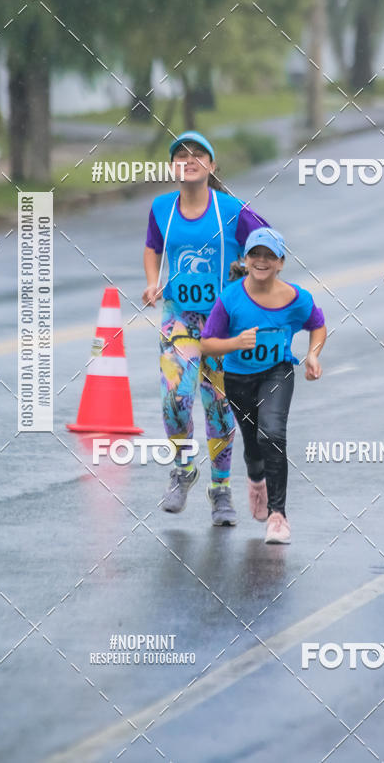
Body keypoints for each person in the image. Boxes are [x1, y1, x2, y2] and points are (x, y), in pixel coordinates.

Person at [143, 131, 269, 526]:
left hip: (222, 323)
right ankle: (183, 469)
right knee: (175, 399)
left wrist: (248, 274)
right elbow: (153, 247)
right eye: (181, 155)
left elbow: (268, 244)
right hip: (179, 318)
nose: (190, 160)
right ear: (172, 167)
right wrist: (152, 281)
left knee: (218, 408)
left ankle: (221, 490)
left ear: (212, 166)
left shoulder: (231, 210)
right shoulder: (162, 208)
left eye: (199, 154)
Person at [200, 227, 327, 544]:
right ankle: (256, 478)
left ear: (281, 262)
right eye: (255, 254)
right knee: (253, 443)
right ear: (245, 259)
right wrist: (234, 343)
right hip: (237, 379)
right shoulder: (230, 298)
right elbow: (206, 343)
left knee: (272, 434)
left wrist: (313, 354)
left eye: (270, 255)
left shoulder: (296, 299)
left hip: (276, 373)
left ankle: (277, 516)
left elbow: (318, 325)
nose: (261, 260)